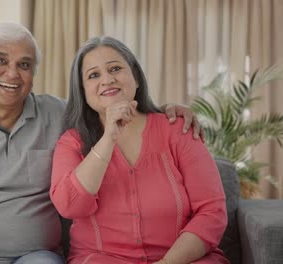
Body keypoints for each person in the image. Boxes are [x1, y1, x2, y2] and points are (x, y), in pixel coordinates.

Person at [0, 23, 203, 264]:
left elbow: (107, 105)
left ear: (33, 76)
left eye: (24, 65)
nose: (12, 73)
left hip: (35, 256)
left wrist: (166, 109)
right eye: (0, 60)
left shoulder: (60, 116)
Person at [50, 36, 229, 264]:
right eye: (93, 75)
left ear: (135, 78)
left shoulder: (178, 130)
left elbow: (211, 211)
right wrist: (108, 138)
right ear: (83, 91)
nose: (107, 79)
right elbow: (70, 205)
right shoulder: (72, 142)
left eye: (115, 68)